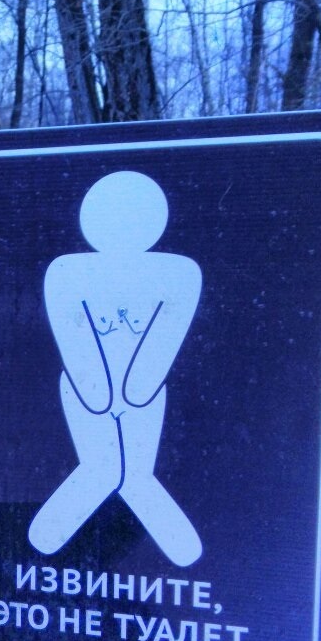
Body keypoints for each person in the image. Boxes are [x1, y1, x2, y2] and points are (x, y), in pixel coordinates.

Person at [28, 170, 203, 567]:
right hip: (82, 386)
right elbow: (73, 338)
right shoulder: (66, 271)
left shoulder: (179, 272)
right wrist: (98, 394)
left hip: (148, 389)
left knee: (133, 476)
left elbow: (166, 336)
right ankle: (40, 547)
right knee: (104, 470)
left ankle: (187, 558)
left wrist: (137, 390)